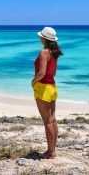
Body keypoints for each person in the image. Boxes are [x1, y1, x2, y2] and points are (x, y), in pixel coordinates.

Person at [32, 26, 63, 159]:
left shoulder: (44, 52)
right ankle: (53, 150)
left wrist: (33, 81)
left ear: (43, 38)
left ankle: (50, 152)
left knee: (47, 121)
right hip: (52, 87)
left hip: (43, 88)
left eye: (41, 36)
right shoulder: (54, 53)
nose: (39, 38)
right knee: (53, 120)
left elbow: (41, 73)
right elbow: (53, 73)